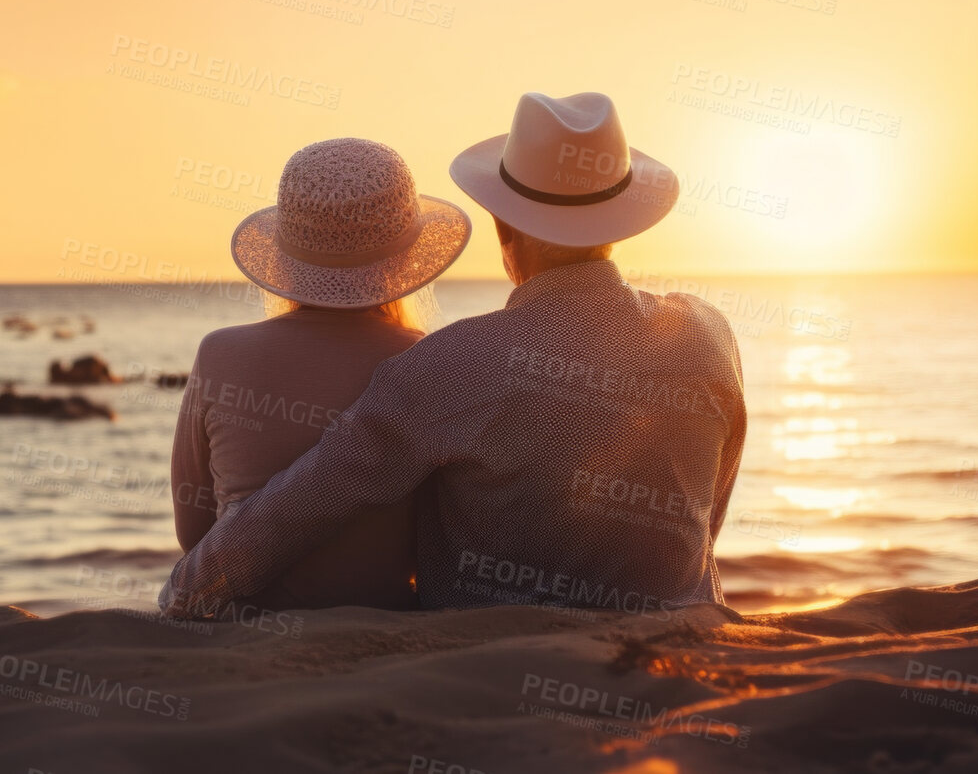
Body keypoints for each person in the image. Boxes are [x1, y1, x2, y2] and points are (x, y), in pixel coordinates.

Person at [163, 92, 747, 618]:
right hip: (680, 650)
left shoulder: (451, 365)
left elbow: (296, 510)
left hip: (495, 661)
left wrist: (183, 594)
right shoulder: (706, 334)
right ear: (620, 222)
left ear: (502, 229)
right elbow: (704, 522)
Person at [170, 137, 470, 610]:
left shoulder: (221, 354)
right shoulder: (432, 365)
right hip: (380, 620)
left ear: (286, 254)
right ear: (406, 260)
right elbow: (439, 544)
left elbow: (194, 534)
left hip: (245, 627)